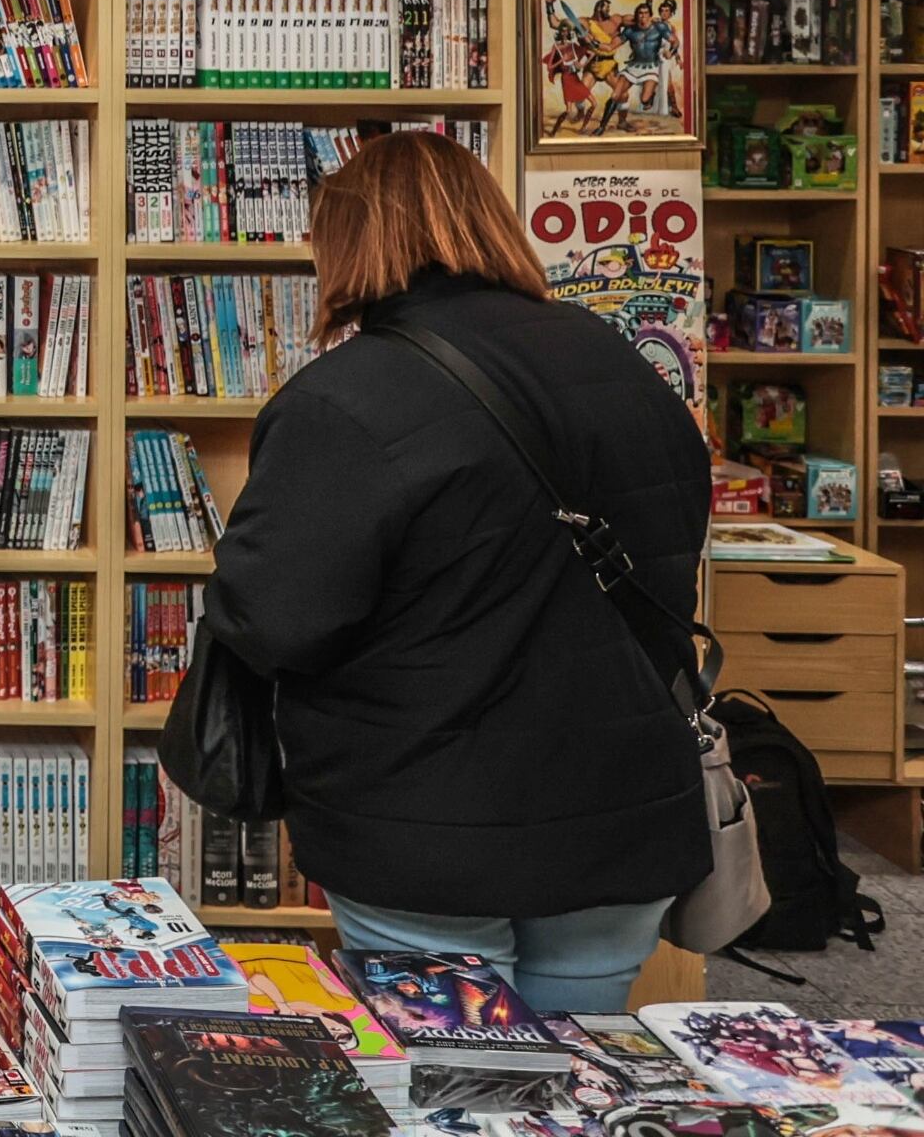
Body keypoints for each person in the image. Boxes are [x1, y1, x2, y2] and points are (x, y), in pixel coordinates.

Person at [199, 131, 711, 1013]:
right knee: (573, 1086)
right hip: (623, 803)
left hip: (425, 822)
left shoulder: (347, 399)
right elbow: (675, 543)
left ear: (351, 245)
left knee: (456, 1083)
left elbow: (276, 616)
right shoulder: (625, 363)